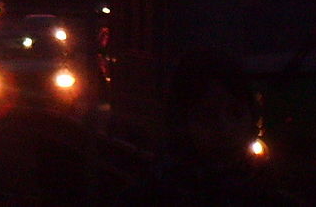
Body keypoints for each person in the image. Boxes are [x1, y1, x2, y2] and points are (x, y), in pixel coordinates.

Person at [126, 49, 299, 205]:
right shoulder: (154, 196)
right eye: (206, 116)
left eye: (236, 113)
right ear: (182, 123)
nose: (224, 128)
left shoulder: (271, 192)